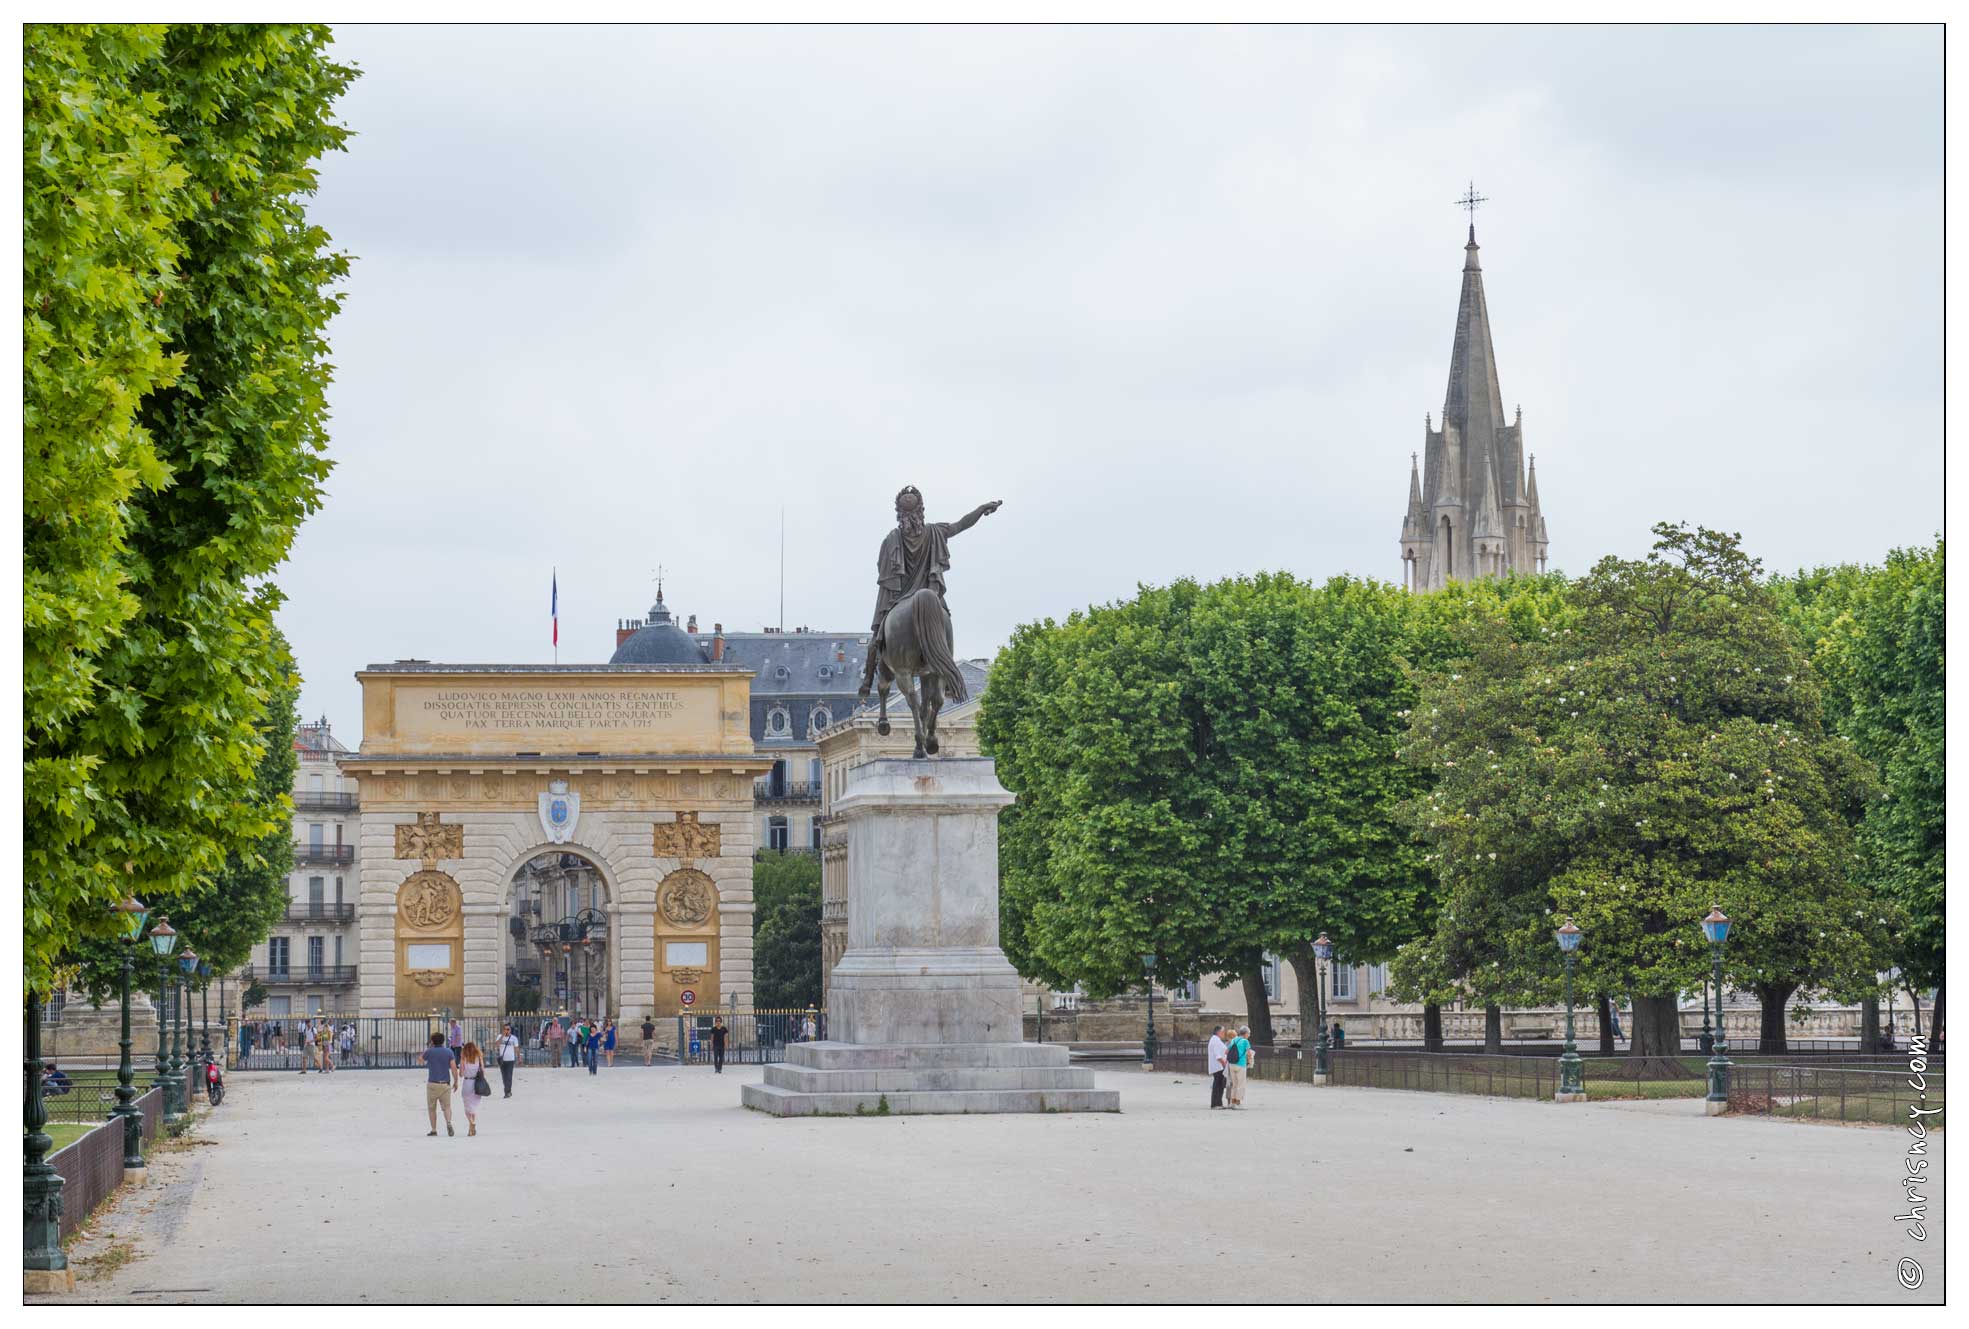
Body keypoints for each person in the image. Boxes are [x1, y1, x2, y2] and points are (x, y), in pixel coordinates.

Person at [420, 1031, 456, 1137]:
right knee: (447, 1106)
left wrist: (429, 1048)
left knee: (432, 1108)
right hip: (445, 1083)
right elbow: (453, 1068)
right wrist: (456, 1081)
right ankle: (448, 1122)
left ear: (433, 1041)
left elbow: (420, 1060)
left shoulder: (429, 1052)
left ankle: (434, 1129)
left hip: (432, 1083)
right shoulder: (449, 1052)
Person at [457, 1040, 487, 1136]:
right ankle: (471, 1128)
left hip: (467, 1083)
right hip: (477, 1084)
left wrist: (462, 1070)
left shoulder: (463, 1059)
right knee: (473, 1107)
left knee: (467, 1108)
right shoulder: (479, 1057)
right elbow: (483, 1071)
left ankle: (471, 1123)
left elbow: (461, 1074)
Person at [1226, 1025, 1251, 1108]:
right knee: (1241, 1084)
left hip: (1231, 1064)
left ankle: (1232, 1102)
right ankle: (1238, 1103)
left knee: (1234, 1084)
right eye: (1249, 1033)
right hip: (1241, 1064)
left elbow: (1226, 1051)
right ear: (1245, 1033)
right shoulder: (1245, 1041)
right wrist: (1249, 1061)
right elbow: (1249, 1053)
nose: (1249, 1035)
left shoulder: (1233, 1040)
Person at [1206, 1025, 1228, 1109]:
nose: (1224, 1034)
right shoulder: (1216, 1041)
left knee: (1220, 1085)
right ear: (1219, 1032)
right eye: (1223, 1032)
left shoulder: (1216, 1040)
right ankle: (1215, 1104)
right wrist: (1223, 1063)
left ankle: (1218, 1103)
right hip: (1218, 1066)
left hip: (1218, 1066)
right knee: (1218, 1085)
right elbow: (1217, 1055)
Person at [496, 1023, 521, 1098]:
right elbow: (496, 1045)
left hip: (510, 1060)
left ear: (510, 1030)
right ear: (503, 1030)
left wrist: (519, 1057)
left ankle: (508, 1092)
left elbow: (517, 1049)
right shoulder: (500, 1037)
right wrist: (502, 1036)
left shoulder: (514, 1038)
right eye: (505, 1029)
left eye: (508, 1029)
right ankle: (507, 1090)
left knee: (509, 1076)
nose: (507, 1031)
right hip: (502, 1060)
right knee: (504, 1077)